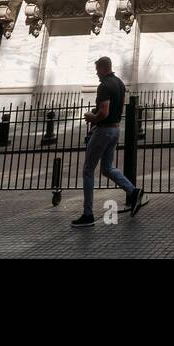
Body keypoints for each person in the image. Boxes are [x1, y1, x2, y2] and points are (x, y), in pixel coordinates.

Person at [73, 56, 143, 227]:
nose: (97, 73)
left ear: (103, 68)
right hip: (115, 129)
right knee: (107, 168)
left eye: (97, 70)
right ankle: (133, 192)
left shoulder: (104, 85)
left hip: (103, 131)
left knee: (88, 170)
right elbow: (114, 108)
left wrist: (92, 117)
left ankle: (87, 214)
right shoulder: (119, 83)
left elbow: (104, 112)